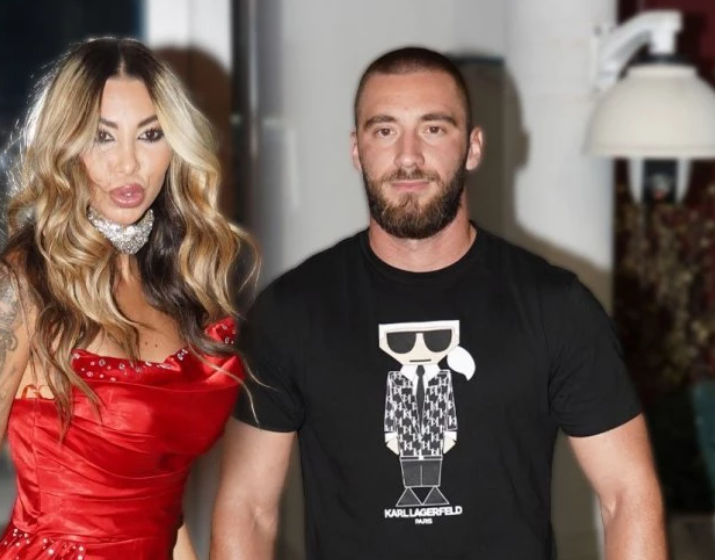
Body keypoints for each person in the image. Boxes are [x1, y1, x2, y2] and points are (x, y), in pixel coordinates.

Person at [211, 46, 667, 560]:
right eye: (385, 130)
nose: (408, 157)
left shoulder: (555, 307)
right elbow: (248, 508)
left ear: (473, 147)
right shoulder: (291, 313)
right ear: (356, 149)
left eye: (433, 129)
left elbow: (627, 495)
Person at [0, 37, 255, 560]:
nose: (128, 164)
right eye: (102, 137)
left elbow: (160, 506)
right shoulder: (24, 284)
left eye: (150, 135)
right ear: (67, 147)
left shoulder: (177, 285)